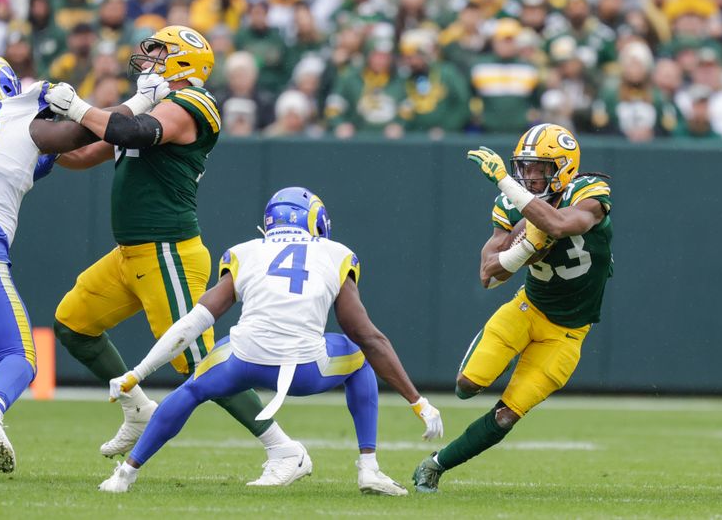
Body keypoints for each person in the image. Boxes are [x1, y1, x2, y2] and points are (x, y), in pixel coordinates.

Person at [45, 26, 306, 486]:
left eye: (159, 53)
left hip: (168, 249)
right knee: (73, 324)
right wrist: (34, 145)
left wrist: (81, 107)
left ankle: (284, 448)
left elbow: (131, 129)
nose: (148, 59)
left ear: (185, 62)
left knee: (200, 362)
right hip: (132, 253)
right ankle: (138, 408)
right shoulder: (155, 103)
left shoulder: (195, 105)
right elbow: (86, 153)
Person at [97, 187, 444, 495]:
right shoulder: (337, 254)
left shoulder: (245, 252)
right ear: (316, 221)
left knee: (192, 388)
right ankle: (369, 469)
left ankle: (125, 475)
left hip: (244, 364)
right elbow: (365, 334)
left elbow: (194, 322)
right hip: (307, 371)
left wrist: (137, 374)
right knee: (359, 358)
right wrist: (418, 401)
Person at [0, 51, 127, 474]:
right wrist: (142, 104)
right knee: (19, 355)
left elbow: (20, 163)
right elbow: (78, 136)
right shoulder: (19, 117)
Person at [413, 123, 613, 492]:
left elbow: (559, 223)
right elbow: (489, 275)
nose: (531, 176)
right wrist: (525, 246)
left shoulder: (589, 192)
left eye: (542, 168)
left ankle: (436, 465)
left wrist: (508, 184)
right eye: (525, 167)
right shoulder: (510, 203)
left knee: (506, 415)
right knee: (466, 385)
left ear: (565, 167)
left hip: (567, 334)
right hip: (528, 309)